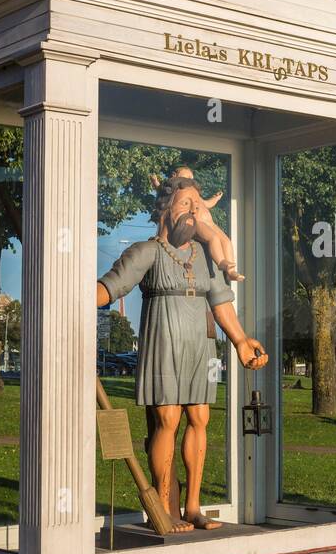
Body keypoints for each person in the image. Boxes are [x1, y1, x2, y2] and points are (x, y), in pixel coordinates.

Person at [96, 177, 267, 533]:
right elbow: (110, 287)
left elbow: (221, 305)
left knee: (200, 418)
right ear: (165, 208)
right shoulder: (147, 251)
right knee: (168, 420)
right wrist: (71, 300)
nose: (192, 211)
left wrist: (240, 341)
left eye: (196, 205)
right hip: (164, 342)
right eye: (185, 203)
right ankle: (162, 507)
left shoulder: (205, 257)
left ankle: (192, 506)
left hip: (200, 346)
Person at [152, 166, 243, 282]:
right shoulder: (176, 191)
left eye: (192, 178)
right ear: (175, 175)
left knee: (226, 241)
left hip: (210, 223)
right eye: (187, 177)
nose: (191, 180)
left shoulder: (194, 193)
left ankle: (231, 271)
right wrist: (155, 182)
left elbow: (207, 203)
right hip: (199, 222)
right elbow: (162, 190)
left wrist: (215, 199)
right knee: (213, 238)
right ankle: (221, 261)